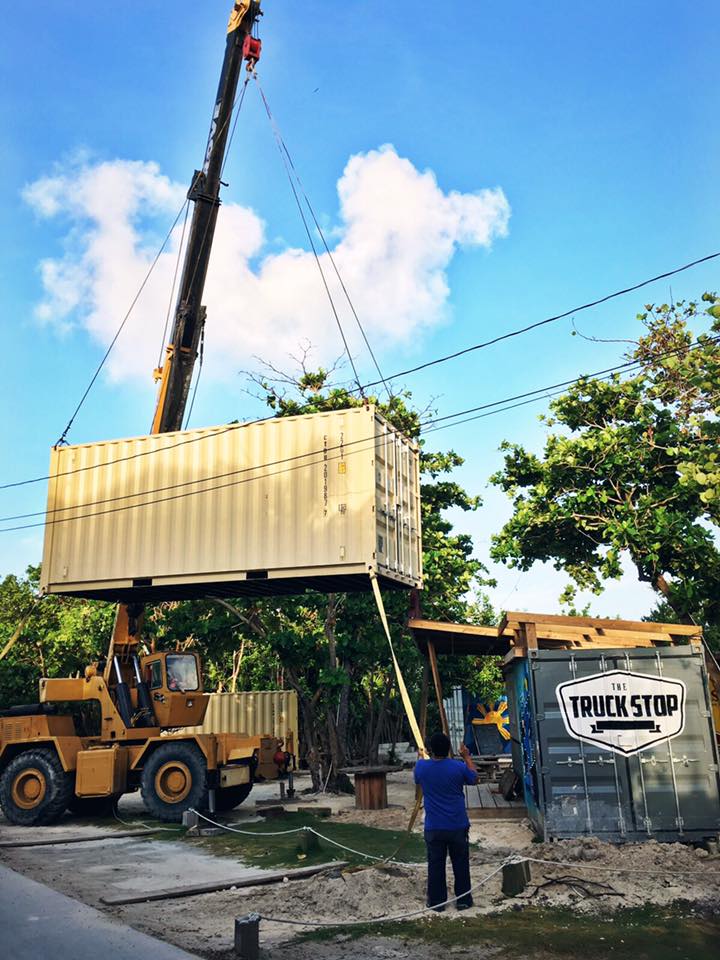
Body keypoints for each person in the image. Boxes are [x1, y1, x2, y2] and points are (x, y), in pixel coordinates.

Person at [413, 731, 478, 911]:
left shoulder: (421, 767)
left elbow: (417, 778)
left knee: (435, 865)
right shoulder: (458, 766)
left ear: (430, 749)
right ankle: (464, 901)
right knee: (461, 864)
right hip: (457, 825)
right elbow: (474, 778)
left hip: (434, 827)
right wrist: (467, 757)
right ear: (449, 749)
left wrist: (422, 757)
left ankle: (437, 903)